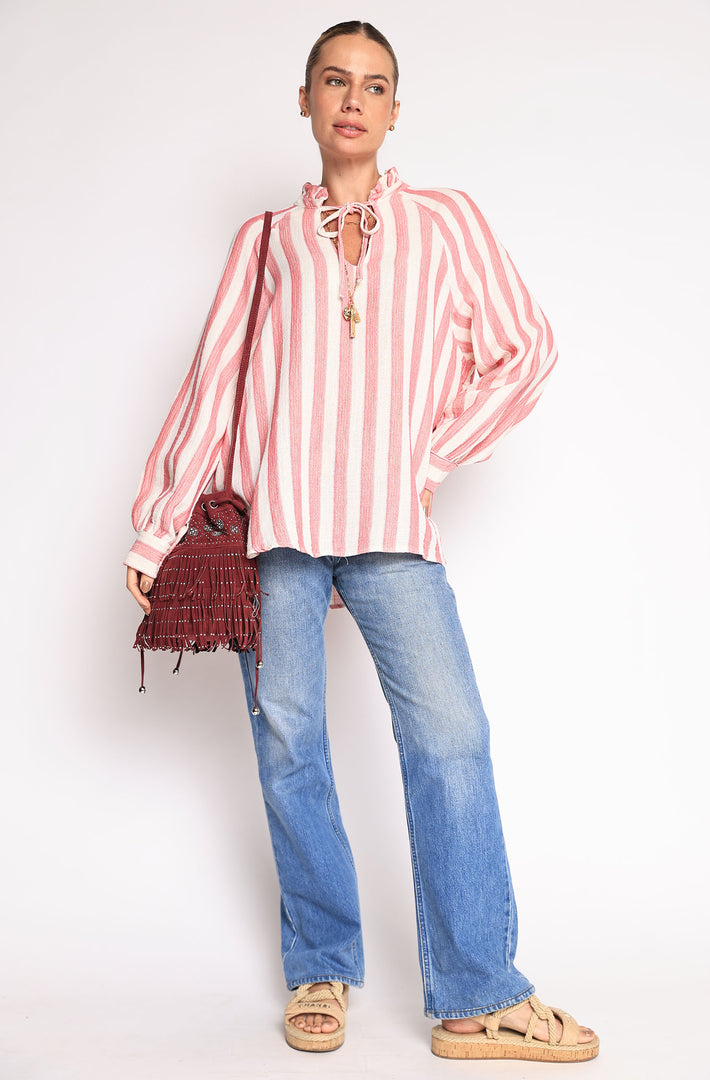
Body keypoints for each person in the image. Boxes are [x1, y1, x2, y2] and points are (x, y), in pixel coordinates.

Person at [124, 20, 599, 1063]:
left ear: (393, 109)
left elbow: (525, 350)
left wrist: (429, 458)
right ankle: (321, 966)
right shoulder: (265, 241)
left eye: (374, 85)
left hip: (391, 531)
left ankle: (477, 992)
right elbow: (212, 384)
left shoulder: (446, 222)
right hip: (280, 533)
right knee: (290, 746)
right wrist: (157, 527)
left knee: (451, 738)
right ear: (305, 100)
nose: (353, 99)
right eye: (334, 81)